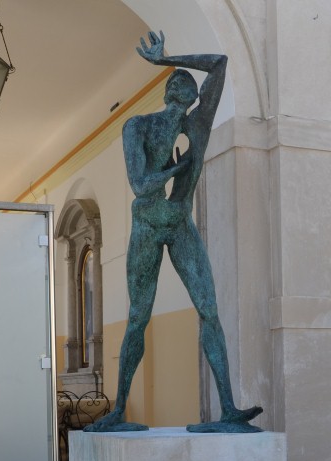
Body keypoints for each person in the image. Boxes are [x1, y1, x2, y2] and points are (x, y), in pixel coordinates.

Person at [88, 30, 261, 433]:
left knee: (209, 310)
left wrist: (164, 59)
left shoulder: (198, 124)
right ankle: (118, 409)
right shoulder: (138, 127)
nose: (186, 88)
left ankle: (228, 408)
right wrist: (176, 170)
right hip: (148, 223)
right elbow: (140, 184)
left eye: (189, 86)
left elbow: (219, 64)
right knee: (138, 317)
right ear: (171, 94)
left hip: (180, 222)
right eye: (178, 84)